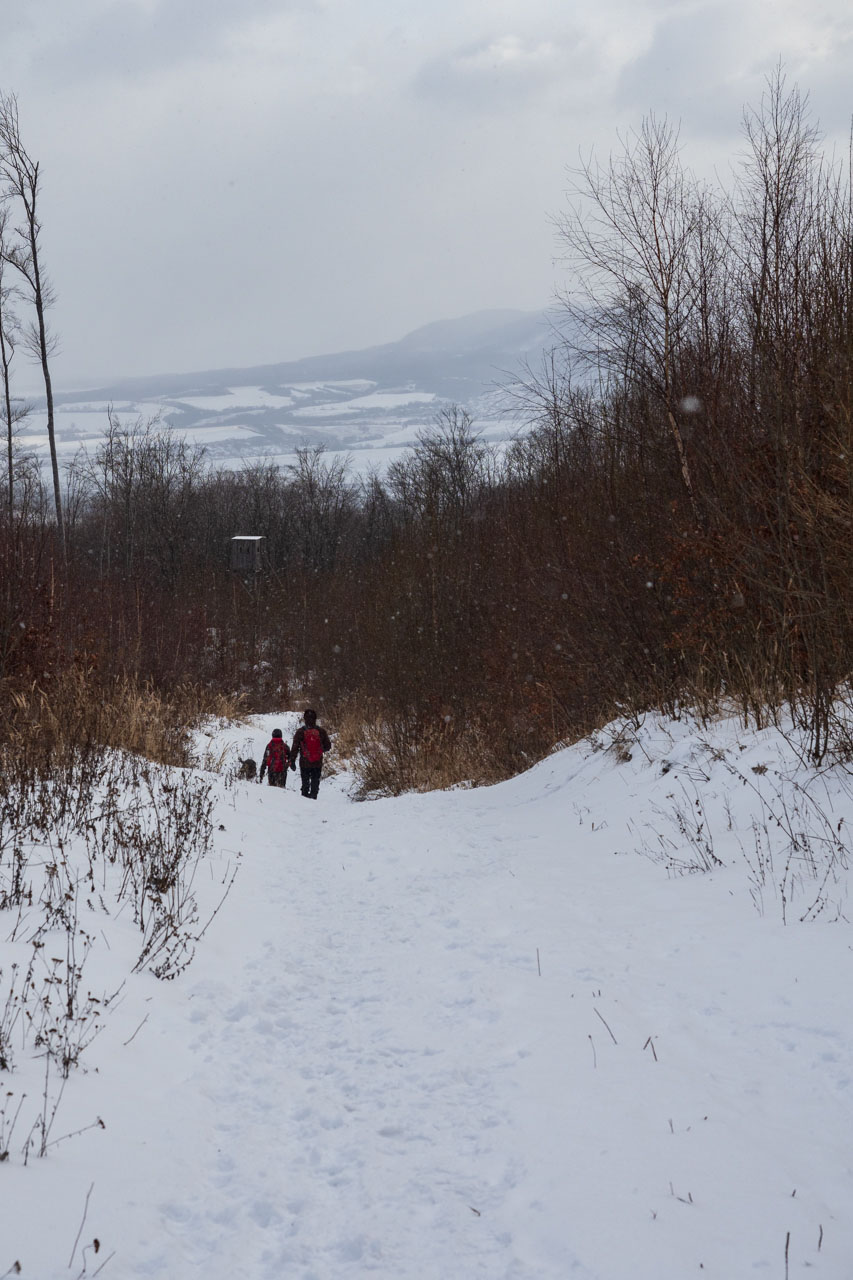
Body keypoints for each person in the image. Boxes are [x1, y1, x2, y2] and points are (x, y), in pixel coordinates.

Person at [290, 708, 331, 799]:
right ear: (315, 719)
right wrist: (320, 750)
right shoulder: (321, 731)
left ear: (304, 719)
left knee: (305, 782)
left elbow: (295, 748)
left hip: (304, 762)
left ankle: (304, 799)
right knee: (315, 782)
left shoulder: (300, 732)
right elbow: (328, 746)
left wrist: (292, 761)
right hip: (317, 762)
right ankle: (313, 798)